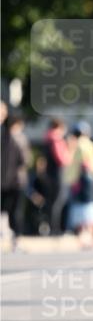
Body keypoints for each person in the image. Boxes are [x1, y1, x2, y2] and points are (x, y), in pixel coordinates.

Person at [65, 122, 93, 247]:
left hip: (82, 180)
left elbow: (75, 166)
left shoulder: (79, 145)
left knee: (81, 211)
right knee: (92, 209)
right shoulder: (92, 145)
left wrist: (72, 180)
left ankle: (83, 239)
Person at [1, 107, 27, 252]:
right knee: (15, 211)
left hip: (4, 180)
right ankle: (15, 240)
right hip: (16, 180)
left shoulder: (4, 137)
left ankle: (12, 238)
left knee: (6, 210)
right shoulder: (18, 138)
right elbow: (25, 159)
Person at [43, 118, 71, 235]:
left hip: (51, 174)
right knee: (58, 202)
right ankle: (56, 229)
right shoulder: (56, 140)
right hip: (57, 174)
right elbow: (62, 159)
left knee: (52, 201)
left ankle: (53, 227)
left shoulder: (48, 138)